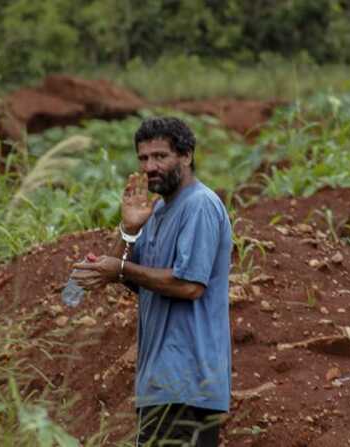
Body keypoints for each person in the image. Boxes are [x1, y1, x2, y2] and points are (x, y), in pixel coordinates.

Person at [73, 117, 233, 447]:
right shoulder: (158, 212)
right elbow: (126, 274)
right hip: (159, 385)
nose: (150, 167)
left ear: (186, 156)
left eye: (160, 156)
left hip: (189, 384)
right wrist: (128, 229)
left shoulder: (199, 205)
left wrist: (120, 267)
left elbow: (190, 285)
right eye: (143, 158)